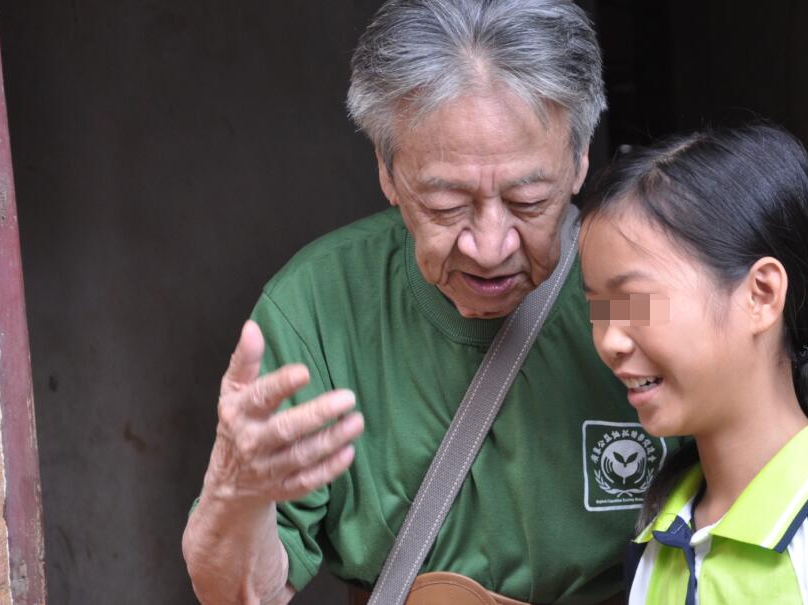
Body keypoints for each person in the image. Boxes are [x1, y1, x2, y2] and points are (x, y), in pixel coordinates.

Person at [181, 1, 678, 603]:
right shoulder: (320, 308)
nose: (490, 248)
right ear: (387, 173)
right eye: (447, 206)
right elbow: (241, 593)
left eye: (528, 201)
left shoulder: (636, 290)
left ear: (579, 162)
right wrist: (233, 498)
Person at [578, 125, 808, 604]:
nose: (609, 340)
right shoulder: (655, 541)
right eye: (597, 309)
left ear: (761, 294)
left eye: (634, 302)